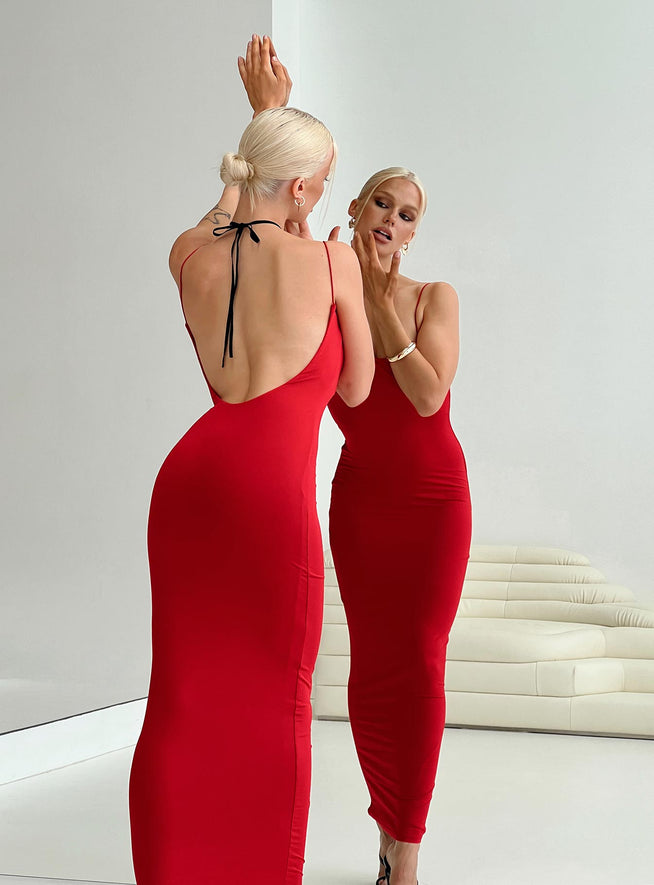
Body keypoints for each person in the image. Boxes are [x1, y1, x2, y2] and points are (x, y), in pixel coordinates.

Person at [128, 41, 374, 884]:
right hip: (270, 491)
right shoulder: (332, 259)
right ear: (302, 190)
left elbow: (226, 214)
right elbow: (356, 385)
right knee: (276, 698)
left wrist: (263, 124)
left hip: (191, 480)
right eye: (323, 181)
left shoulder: (189, 254)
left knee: (182, 695)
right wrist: (319, 245)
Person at [238, 37, 472, 885]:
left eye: (408, 214)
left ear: (414, 234)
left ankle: (406, 852)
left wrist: (380, 298)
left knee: (421, 661)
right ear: (358, 203)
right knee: (371, 666)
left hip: (435, 499)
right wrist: (268, 116)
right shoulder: (327, 283)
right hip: (363, 501)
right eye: (382, 201)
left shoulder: (431, 297)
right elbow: (268, 229)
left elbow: (427, 397)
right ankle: (386, 822)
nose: (391, 220)